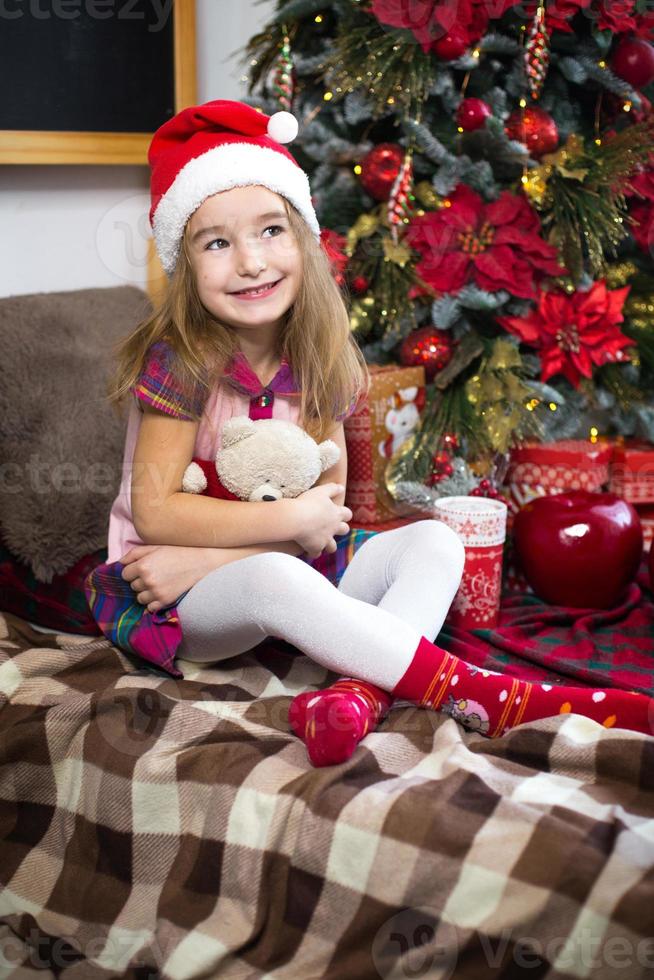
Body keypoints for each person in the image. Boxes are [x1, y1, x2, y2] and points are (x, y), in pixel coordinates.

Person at [86, 99, 654, 769]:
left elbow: (323, 522)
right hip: (172, 590)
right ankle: (484, 695)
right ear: (185, 262)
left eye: (270, 231)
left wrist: (219, 552)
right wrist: (227, 559)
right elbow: (157, 512)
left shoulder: (318, 354)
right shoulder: (180, 362)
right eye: (217, 242)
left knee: (437, 541)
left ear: (303, 237)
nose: (250, 262)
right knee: (274, 574)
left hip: (247, 562)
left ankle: (356, 697)